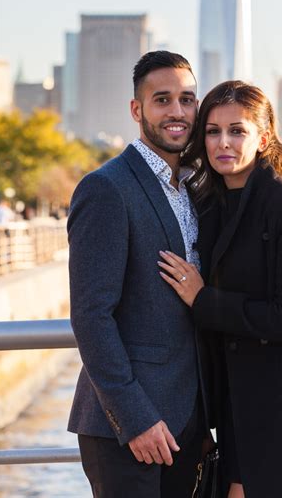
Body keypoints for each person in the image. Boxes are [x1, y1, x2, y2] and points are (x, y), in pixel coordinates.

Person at [158, 80, 282, 498]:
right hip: (233, 412)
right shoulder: (205, 205)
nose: (223, 142)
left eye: (237, 130)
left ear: (263, 138)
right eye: (212, 131)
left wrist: (203, 299)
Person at [68, 51, 210, 498]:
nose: (177, 112)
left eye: (187, 99)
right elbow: (91, 316)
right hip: (129, 429)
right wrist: (136, 420)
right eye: (162, 99)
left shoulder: (192, 186)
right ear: (137, 110)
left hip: (188, 423)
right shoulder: (106, 188)